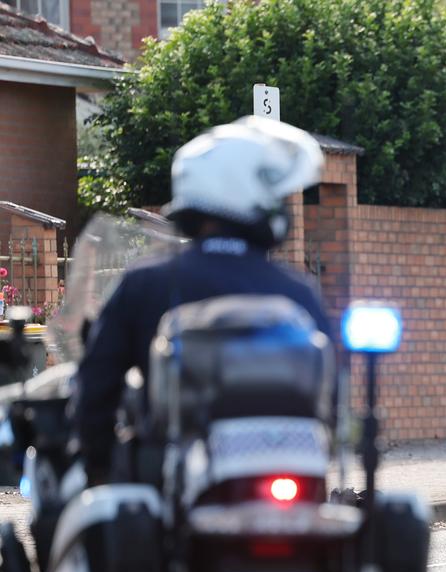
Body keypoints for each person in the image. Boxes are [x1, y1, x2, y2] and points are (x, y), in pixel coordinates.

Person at [72, 116, 334, 486]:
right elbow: (333, 393)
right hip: (290, 483)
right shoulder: (297, 291)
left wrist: (99, 466)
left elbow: (96, 389)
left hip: (172, 490)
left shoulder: (144, 284)